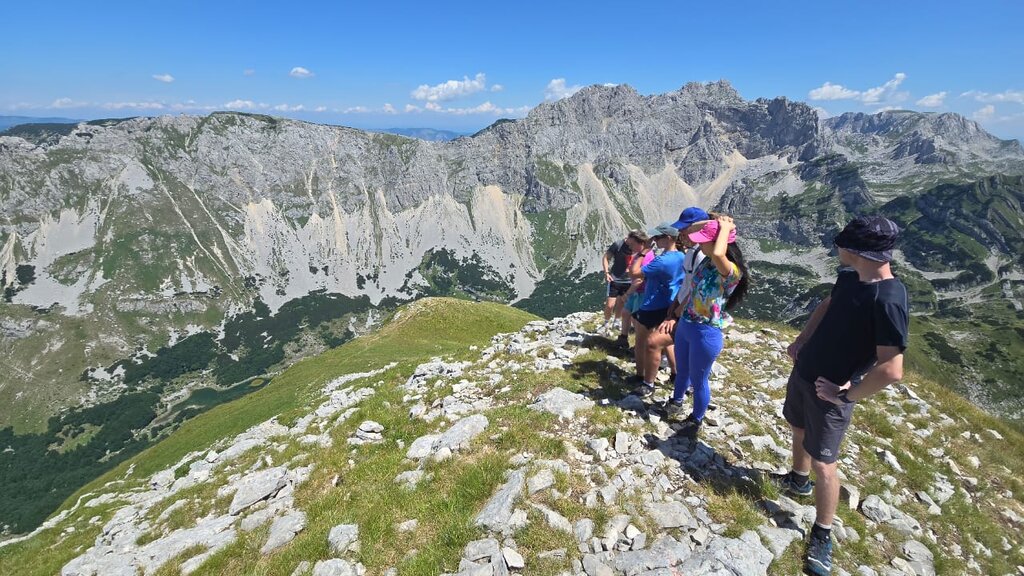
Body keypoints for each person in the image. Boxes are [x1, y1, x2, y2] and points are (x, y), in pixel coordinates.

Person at [779, 216, 909, 576]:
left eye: (843, 243)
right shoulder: (851, 277)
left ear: (858, 251)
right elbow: (827, 305)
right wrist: (802, 340)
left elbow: (892, 368)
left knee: (825, 463)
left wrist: (846, 395)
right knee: (798, 427)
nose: (837, 247)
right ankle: (797, 480)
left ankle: (822, 532)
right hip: (806, 372)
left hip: (831, 390)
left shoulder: (888, 298)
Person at [663, 215, 749, 439]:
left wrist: (726, 228)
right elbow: (692, 229)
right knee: (682, 370)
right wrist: (717, 222)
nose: (699, 244)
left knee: (699, 379)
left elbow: (719, 253)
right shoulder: (706, 262)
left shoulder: (729, 270)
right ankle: (676, 401)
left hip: (706, 332)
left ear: (719, 243)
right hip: (687, 324)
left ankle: (695, 420)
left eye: (704, 241)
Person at [627, 223, 686, 397]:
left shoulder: (662, 261)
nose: (654, 240)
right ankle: (676, 374)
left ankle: (641, 377)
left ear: (668, 238)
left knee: (641, 341)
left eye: (657, 237)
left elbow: (634, 272)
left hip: (652, 304)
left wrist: (644, 252)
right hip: (670, 304)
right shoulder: (682, 256)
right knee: (667, 342)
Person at [602, 234, 634, 336]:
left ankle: (616, 321)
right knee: (610, 304)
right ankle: (606, 323)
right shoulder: (618, 244)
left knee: (622, 302)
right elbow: (606, 257)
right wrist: (606, 273)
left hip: (629, 281)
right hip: (615, 279)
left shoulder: (637, 246)